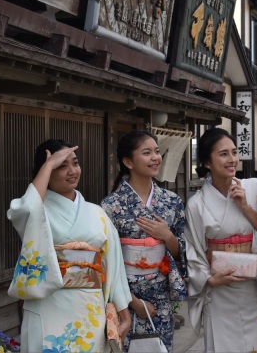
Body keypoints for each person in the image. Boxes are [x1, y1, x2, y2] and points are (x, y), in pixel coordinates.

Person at [7, 139, 132, 353]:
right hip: (48, 304)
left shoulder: (97, 213)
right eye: (61, 166)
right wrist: (47, 164)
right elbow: (26, 208)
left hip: (89, 307)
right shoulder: (38, 212)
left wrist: (123, 311)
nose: (72, 171)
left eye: (75, 163)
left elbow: (113, 264)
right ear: (45, 172)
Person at [184, 128, 257, 352]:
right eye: (224, 154)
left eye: (234, 152)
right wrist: (208, 279)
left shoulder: (254, 187)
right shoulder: (196, 204)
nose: (232, 159)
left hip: (256, 287)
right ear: (207, 162)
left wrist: (245, 207)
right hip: (220, 290)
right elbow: (193, 249)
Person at [101, 130, 187, 352]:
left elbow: (181, 254)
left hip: (161, 298)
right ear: (128, 161)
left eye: (157, 152)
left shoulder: (171, 202)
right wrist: (133, 302)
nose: (156, 158)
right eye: (147, 153)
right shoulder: (111, 206)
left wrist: (167, 236)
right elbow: (105, 260)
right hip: (123, 298)